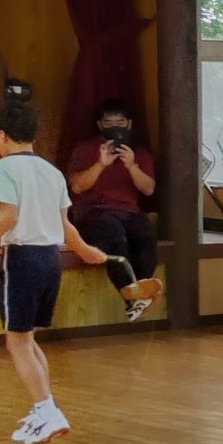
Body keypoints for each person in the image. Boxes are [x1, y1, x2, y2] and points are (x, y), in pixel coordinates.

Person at [0, 101, 108, 444]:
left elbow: (8, 217)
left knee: (17, 342)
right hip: (50, 260)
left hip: (22, 259)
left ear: (2, 136)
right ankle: (43, 410)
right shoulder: (52, 172)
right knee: (27, 339)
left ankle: (47, 411)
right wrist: (85, 251)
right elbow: (65, 225)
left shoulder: (2, 168)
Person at [65, 98, 163, 323]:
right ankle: (132, 297)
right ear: (100, 125)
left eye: (120, 123)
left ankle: (140, 293)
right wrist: (101, 164)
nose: (115, 128)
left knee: (145, 235)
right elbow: (77, 186)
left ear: (129, 124)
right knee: (113, 235)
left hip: (130, 212)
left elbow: (148, 189)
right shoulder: (86, 149)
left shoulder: (139, 152)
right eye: (109, 123)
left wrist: (131, 166)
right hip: (95, 212)